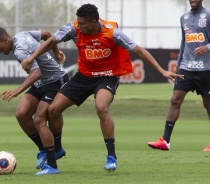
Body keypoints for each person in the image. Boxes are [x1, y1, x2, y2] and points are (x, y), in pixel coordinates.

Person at [21, 3, 184, 172]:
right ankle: (58, 149)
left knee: (101, 107)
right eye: (78, 22)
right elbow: (51, 41)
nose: (79, 26)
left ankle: (111, 156)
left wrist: (161, 70)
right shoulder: (73, 28)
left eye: (83, 23)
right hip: (83, 76)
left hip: (107, 76)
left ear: (93, 22)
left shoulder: (112, 33)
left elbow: (139, 51)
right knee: (53, 110)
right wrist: (31, 57)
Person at [0, 27, 69, 175]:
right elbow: (47, 35)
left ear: (5, 40)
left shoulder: (19, 51)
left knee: (39, 119)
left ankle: (52, 165)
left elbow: (36, 73)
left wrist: (16, 91)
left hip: (55, 81)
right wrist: (56, 52)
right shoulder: (22, 35)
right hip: (41, 83)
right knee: (21, 114)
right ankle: (45, 149)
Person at [148, 0, 210, 152]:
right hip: (186, 68)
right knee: (175, 100)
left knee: (208, 105)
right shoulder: (184, 18)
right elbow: (184, 41)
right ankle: (165, 141)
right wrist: (178, 63)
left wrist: (207, 47)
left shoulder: (208, 15)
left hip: (206, 69)